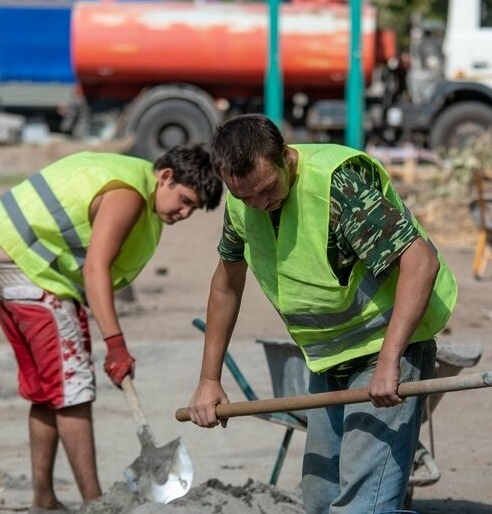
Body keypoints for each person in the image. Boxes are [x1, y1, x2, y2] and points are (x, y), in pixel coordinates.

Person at [186, 114, 457, 513]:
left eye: (266, 188)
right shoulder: (241, 203)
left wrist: (389, 362)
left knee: (363, 506)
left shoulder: (338, 186)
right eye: (246, 197)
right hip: (327, 358)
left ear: (285, 157)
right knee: (320, 500)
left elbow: (421, 261)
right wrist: (209, 379)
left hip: (388, 344)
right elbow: (226, 285)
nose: (259, 203)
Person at [0, 147, 222, 512]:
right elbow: (96, 269)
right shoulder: (129, 193)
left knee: (48, 393)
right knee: (73, 391)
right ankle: (95, 505)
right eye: (184, 200)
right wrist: (115, 344)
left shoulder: (131, 177)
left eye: (193, 209)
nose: (184, 213)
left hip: (7, 271)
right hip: (34, 277)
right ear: (166, 176)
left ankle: (44, 500)